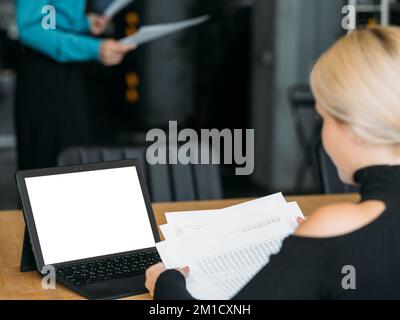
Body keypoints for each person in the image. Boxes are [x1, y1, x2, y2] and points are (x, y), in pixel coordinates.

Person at [145, 25, 400, 299]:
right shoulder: (347, 224)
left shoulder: (337, 225)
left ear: (356, 127)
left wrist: (166, 284)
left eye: (323, 118)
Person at [15, 1, 134, 170]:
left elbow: (54, 16)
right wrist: (93, 48)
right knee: (47, 166)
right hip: (44, 75)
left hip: (74, 69)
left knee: (77, 161)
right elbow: (30, 28)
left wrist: (84, 23)